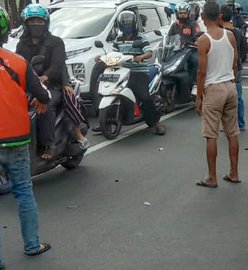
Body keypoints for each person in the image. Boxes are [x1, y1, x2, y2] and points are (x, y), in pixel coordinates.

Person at [0, 7, 51, 268]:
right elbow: (43, 95)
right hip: (18, 140)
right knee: (23, 192)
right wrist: (40, 103)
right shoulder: (18, 62)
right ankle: (32, 245)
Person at [15, 4, 89, 159]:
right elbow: (18, 65)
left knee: (43, 106)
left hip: (52, 85)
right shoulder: (21, 44)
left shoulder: (55, 42)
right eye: (32, 21)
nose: (36, 25)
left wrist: (45, 77)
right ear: (26, 23)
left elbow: (58, 64)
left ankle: (49, 144)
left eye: (39, 21)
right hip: (29, 86)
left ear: (46, 22)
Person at [94, 11, 165, 135]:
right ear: (120, 26)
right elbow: (114, 53)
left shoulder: (141, 38)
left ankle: (155, 123)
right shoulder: (118, 39)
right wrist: (102, 58)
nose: (127, 27)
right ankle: (104, 121)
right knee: (103, 89)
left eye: (129, 25)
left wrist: (141, 56)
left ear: (134, 25)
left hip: (138, 72)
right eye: (125, 25)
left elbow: (149, 53)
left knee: (145, 97)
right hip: (121, 70)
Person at [195, 1, 240, 188]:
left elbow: (201, 72)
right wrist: (232, 81)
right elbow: (236, 62)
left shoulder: (204, 40)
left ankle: (211, 177)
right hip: (230, 86)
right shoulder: (230, 36)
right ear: (219, 17)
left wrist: (199, 96)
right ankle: (234, 173)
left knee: (211, 134)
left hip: (213, 89)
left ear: (204, 18)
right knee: (232, 132)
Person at [221, 5, 248, 131]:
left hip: (223, 69)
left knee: (223, 98)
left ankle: (226, 124)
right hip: (237, 68)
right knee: (238, 98)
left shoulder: (219, 34)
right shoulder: (238, 32)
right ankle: (240, 123)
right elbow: (243, 53)